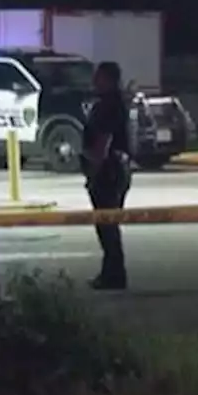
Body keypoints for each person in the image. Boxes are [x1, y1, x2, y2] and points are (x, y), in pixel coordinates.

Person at [82, 61, 132, 290]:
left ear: (109, 80)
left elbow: (103, 141)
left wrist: (94, 171)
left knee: (106, 225)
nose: (94, 81)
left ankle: (114, 275)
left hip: (108, 172)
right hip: (118, 169)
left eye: (99, 77)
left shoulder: (107, 106)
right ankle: (112, 272)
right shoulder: (117, 103)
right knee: (109, 224)